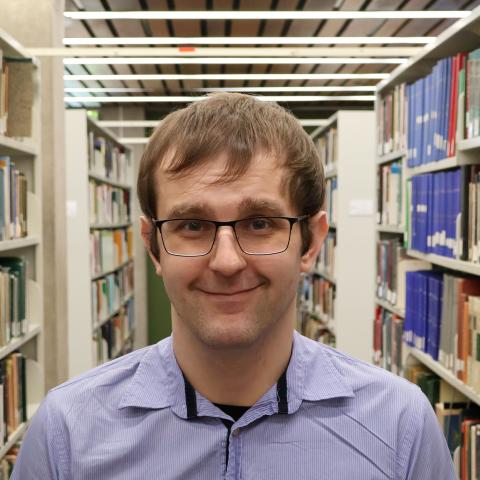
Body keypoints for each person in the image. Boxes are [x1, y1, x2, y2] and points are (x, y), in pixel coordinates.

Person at [12, 93, 455, 479]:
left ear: (311, 242)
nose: (226, 261)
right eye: (192, 225)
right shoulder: (67, 432)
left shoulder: (400, 427)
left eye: (260, 223)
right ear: (153, 246)